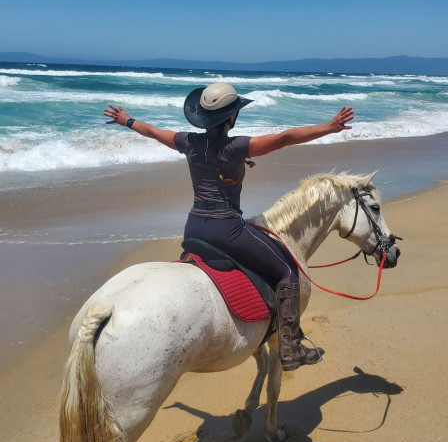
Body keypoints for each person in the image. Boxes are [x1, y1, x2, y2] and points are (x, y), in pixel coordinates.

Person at [104, 84, 354, 370]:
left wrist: (128, 121)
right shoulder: (236, 147)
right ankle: (290, 349)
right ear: (230, 118)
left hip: (194, 228)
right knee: (287, 271)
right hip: (227, 230)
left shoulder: (188, 141)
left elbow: (154, 132)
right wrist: (329, 127)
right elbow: (284, 138)